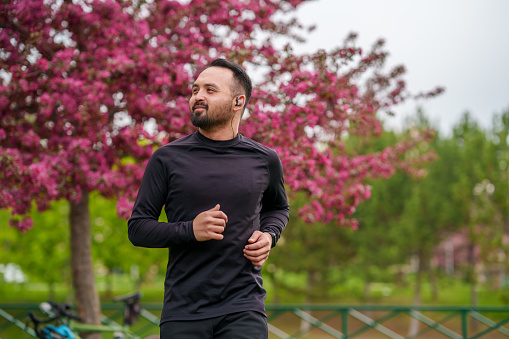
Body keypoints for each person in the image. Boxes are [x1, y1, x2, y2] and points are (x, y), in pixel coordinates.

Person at [128, 58, 289, 338]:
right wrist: (190, 230)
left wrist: (269, 235)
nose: (198, 97)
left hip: (244, 305)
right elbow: (138, 228)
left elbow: (278, 207)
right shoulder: (167, 158)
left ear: (238, 102)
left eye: (210, 90)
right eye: (195, 90)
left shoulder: (265, 159)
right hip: (183, 311)